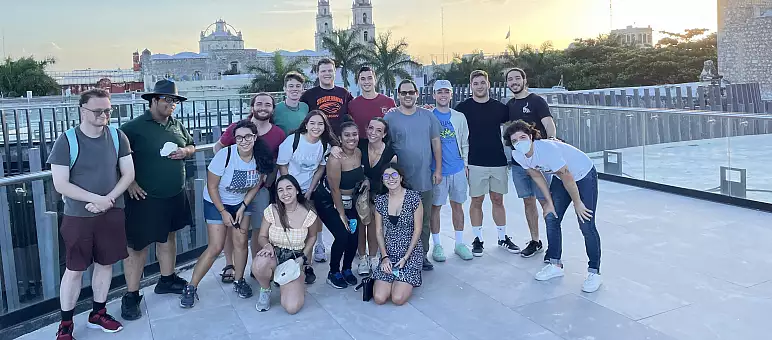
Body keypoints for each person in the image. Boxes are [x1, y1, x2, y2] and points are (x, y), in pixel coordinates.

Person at [48, 89, 134, 339]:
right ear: (82, 110)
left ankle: (98, 312)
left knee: (106, 264)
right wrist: (97, 200)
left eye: (108, 110)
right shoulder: (66, 141)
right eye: (98, 111)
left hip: (112, 212)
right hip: (78, 216)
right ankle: (66, 324)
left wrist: (107, 201)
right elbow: (61, 184)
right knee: (74, 269)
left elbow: (128, 174)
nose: (104, 115)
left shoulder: (118, 137)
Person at [119, 80, 195, 320]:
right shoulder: (132, 128)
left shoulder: (176, 124)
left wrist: (186, 152)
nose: (172, 105)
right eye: (167, 100)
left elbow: (191, 145)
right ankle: (131, 295)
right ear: (153, 101)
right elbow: (115, 157)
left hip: (174, 194)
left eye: (174, 101)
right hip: (144, 197)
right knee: (137, 246)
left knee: (168, 236)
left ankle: (167, 278)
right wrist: (129, 182)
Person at [179, 120, 275, 308]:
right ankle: (191, 286)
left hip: (240, 201)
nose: (244, 141)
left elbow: (256, 185)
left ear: (255, 137)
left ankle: (239, 280)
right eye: (239, 137)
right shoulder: (225, 155)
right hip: (216, 202)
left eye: (248, 136)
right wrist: (223, 212)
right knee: (215, 247)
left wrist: (242, 207)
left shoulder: (261, 157)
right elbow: (212, 186)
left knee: (241, 243)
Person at [504, 120, 602, 293]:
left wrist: (578, 203)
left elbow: (568, 178)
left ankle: (594, 272)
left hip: (582, 174)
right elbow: (538, 176)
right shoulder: (518, 155)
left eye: (523, 137)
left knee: (586, 223)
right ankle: (555, 264)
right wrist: (548, 203)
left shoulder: (548, 150)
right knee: (551, 216)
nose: (520, 143)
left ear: (532, 137)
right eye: (515, 141)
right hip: (559, 178)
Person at [214, 93, 286, 283]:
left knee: (258, 229)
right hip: (233, 191)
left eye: (268, 104)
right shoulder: (237, 128)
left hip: (259, 189)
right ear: (252, 106)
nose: (263, 107)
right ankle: (230, 265)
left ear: (272, 109)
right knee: (232, 228)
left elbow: (277, 161)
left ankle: (257, 265)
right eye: (259, 104)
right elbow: (218, 147)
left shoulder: (278, 133)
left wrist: (269, 180)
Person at [454, 70, 519, 257]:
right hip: (474, 161)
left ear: (488, 84)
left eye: (483, 82)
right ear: (471, 86)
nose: (480, 86)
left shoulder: (500, 108)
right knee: (477, 201)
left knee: (498, 200)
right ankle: (478, 239)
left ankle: (502, 237)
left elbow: (512, 130)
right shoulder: (462, 108)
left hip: (497, 160)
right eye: (476, 83)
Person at [384, 79, 442, 271]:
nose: (407, 96)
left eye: (411, 92)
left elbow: (436, 143)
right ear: (398, 95)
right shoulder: (390, 118)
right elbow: (383, 145)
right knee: (399, 220)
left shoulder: (428, 116)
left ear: (417, 94)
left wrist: (439, 169)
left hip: (424, 178)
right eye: (404, 93)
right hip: (399, 182)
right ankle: (398, 254)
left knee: (423, 220)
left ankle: (422, 254)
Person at [276, 110, 338, 283]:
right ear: (306, 124)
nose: (316, 127)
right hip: (288, 191)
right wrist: (290, 190)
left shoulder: (324, 144)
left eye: (320, 124)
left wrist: (310, 189)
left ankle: (307, 264)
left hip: (308, 190)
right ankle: (285, 262)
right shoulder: (293, 140)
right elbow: (282, 165)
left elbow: (320, 167)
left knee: (308, 227)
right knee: (288, 226)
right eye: (313, 123)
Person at [505, 68, 558, 258]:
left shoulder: (537, 101)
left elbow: (549, 124)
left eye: (517, 78)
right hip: (519, 164)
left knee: (546, 201)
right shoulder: (510, 104)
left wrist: (552, 142)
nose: (514, 82)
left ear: (524, 80)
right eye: (510, 79)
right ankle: (535, 241)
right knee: (528, 202)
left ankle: (554, 246)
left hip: (539, 163)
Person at [251, 175, 320, 314]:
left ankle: (293, 283)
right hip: (274, 254)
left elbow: (313, 237)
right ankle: (265, 289)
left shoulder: (309, 213)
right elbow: (262, 236)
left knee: (292, 307)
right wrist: (267, 246)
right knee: (259, 264)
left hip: (294, 259)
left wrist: (303, 258)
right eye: (280, 190)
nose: (285, 193)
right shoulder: (272, 210)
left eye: (289, 188)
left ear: (297, 191)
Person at [312, 121, 366, 288]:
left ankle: (347, 268)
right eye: (347, 135)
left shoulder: (358, 152)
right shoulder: (335, 159)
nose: (352, 138)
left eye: (354, 134)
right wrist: (342, 214)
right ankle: (333, 271)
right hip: (329, 201)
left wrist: (366, 181)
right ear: (340, 139)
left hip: (351, 201)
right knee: (342, 235)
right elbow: (335, 189)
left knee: (354, 236)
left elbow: (360, 174)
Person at [428, 80, 473, 262]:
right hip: (436, 170)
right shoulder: (428, 115)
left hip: (457, 169)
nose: (443, 95)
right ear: (434, 95)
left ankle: (459, 243)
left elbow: (465, 141)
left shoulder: (459, 117)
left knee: (458, 205)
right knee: (435, 207)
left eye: (446, 92)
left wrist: (466, 165)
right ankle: (437, 245)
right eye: (440, 92)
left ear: (451, 94)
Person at [372, 164, 423, 306]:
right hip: (390, 251)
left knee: (397, 298)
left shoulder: (414, 198)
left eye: (394, 175)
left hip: (410, 252)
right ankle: (393, 278)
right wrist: (384, 257)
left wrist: (406, 257)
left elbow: (418, 230)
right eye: (386, 176)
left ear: (401, 178)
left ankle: (405, 277)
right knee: (379, 298)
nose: (391, 179)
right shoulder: (380, 201)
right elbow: (378, 231)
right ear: (382, 180)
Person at [356, 117, 397, 275]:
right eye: (371, 128)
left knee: (374, 226)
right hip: (358, 194)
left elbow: (390, 180)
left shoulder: (390, 154)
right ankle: (362, 258)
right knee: (360, 226)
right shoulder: (360, 145)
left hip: (379, 194)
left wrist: (371, 185)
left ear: (384, 134)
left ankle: (373, 257)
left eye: (379, 130)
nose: (373, 133)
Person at [300, 58, 354, 136]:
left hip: (340, 140)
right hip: (318, 140)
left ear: (334, 72)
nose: (327, 74)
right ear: (317, 73)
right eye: (323, 71)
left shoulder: (344, 93)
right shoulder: (308, 95)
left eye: (330, 71)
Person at [348, 66, 396, 138]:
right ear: (359, 81)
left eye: (370, 78)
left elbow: (395, 127)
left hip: (383, 145)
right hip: (360, 146)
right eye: (363, 79)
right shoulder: (352, 105)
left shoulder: (389, 102)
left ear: (375, 80)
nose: (366, 82)